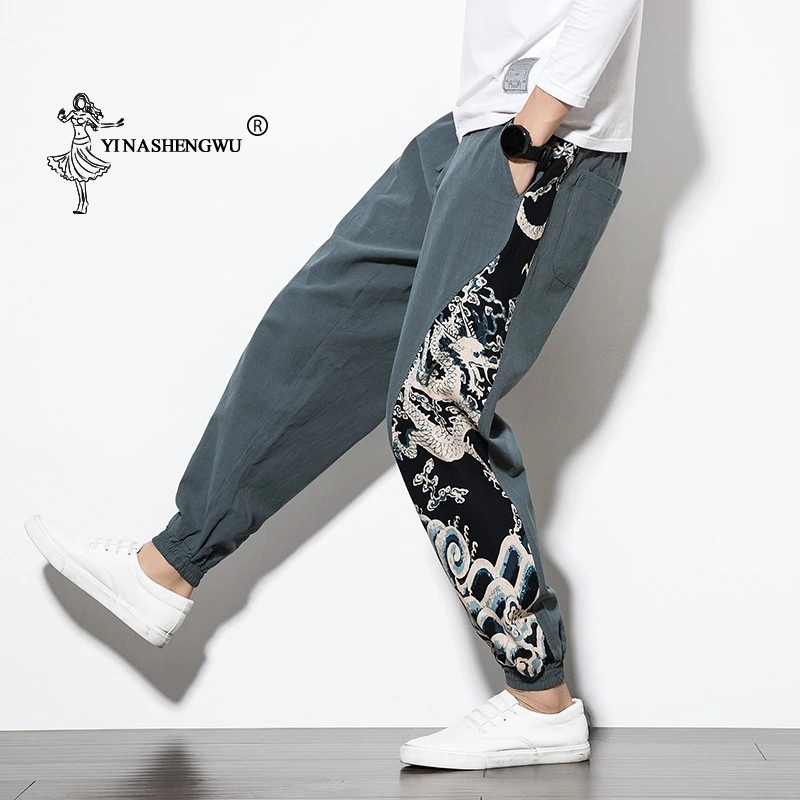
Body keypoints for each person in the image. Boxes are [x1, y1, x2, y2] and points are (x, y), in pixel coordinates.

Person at [26, 0, 644, 771]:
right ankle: (168, 567)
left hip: (546, 138)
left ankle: (541, 701)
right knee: (317, 324)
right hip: (472, 127)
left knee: (434, 412)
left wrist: (532, 131)